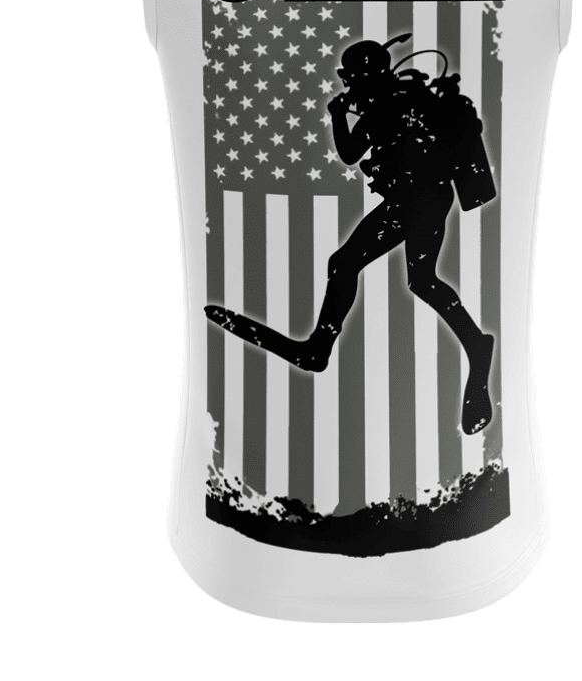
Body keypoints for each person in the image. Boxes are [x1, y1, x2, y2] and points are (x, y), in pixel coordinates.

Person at [206, 35, 495, 435]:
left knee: (361, 267)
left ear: (365, 75)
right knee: (412, 277)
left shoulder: (386, 106)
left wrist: (337, 114)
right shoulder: (399, 99)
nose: (348, 84)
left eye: (352, 77)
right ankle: (474, 345)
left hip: (417, 200)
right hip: (422, 198)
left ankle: (320, 349)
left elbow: (349, 152)